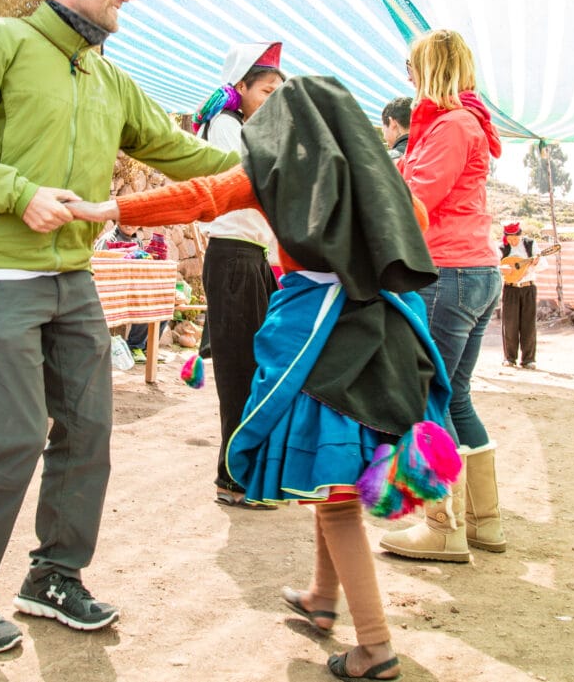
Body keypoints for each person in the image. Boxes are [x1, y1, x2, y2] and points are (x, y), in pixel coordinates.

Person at [0, 0, 239, 653]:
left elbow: (182, 150)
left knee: (87, 430)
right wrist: (17, 192)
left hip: (71, 274)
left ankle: (55, 575)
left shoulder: (110, 78)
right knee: (16, 431)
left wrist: (269, 170)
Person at [67, 75, 449, 682]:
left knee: (340, 496)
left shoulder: (272, 177)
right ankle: (323, 599)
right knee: (336, 480)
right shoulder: (385, 185)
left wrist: (109, 208)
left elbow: (197, 197)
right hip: (383, 337)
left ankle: (374, 646)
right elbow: (417, 229)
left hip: (315, 337)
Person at [379, 28, 507, 562]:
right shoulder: (462, 121)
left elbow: (417, 196)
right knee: (457, 396)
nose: (407, 76)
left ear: (430, 68)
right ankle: (484, 523)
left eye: (412, 66)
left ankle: (443, 527)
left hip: (447, 272)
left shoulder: (451, 125)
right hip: (472, 268)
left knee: (430, 396)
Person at [191, 41, 283, 507]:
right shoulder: (225, 126)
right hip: (233, 256)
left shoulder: (244, 127)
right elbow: (251, 183)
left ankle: (248, 474)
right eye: (267, 91)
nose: (273, 101)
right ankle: (235, 478)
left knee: (259, 368)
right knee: (240, 371)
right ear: (241, 86)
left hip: (253, 259)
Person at [93, 222, 167, 364]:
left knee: (162, 303)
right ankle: (134, 346)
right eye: (127, 219)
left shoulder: (137, 241)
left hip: (131, 288)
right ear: (118, 220)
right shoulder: (109, 240)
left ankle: (147, 348)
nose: (130, 224)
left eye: (135, 221)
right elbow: (101, 268)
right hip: (112, 290)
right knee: (144, 303)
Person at [498, 221, 547, 369]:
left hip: (528, 287)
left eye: (515, 237)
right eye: (510, 237)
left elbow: (543, 265)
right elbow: (494, 265)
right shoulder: (502, 248)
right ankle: (509, 358)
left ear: (520, 235)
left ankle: (528, 359)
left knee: (528, 324)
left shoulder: (530, 245)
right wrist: (502, 268)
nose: (513, 240)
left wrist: (536, 262)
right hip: (510, 288)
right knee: (509, 324)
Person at [381, 96, 412, 160]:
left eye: (383, 126)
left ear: (392, 122)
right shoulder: (430, 152)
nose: (384, 136)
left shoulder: (386, 160)